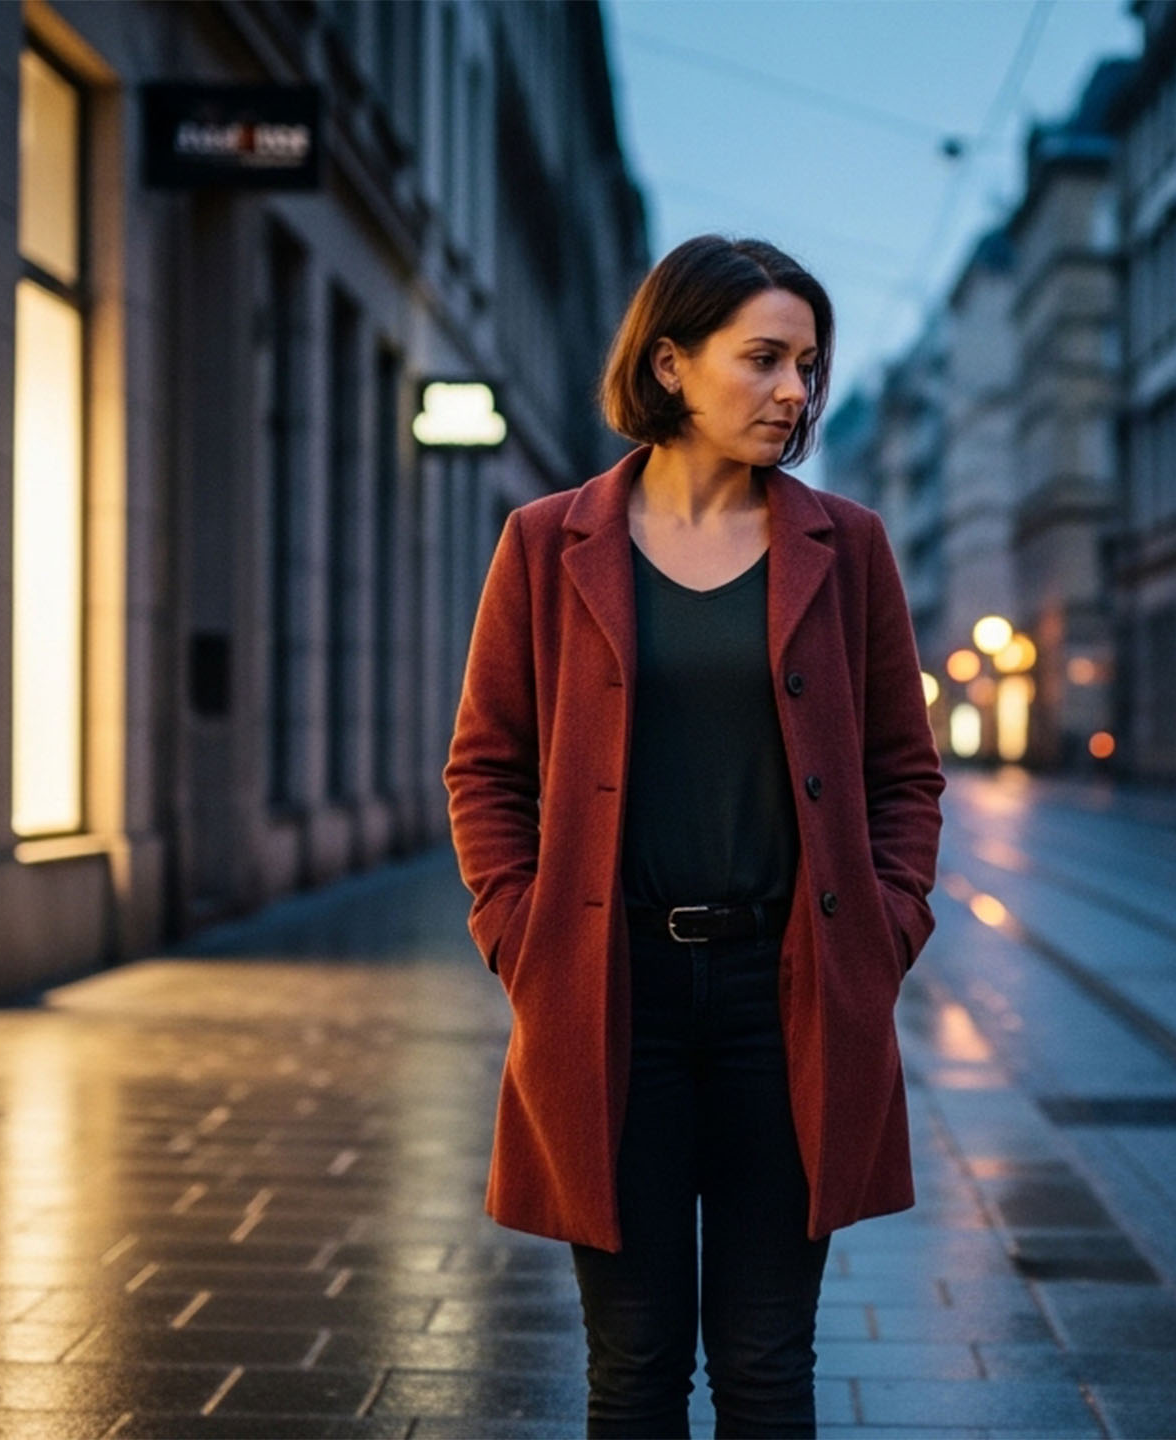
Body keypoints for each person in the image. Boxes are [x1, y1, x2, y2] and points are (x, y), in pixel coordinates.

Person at [444, 234, 945, 1437]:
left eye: (808, 366)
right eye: (762, 359)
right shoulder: (546, 542)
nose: (793, 392)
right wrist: (522, 937)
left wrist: (887, 925)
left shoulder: (849, 546)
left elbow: (901, 772)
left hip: (792, 996)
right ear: (669, 364)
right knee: (634, 1364)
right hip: (616, 996)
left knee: (769, 1365)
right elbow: (487, 766)